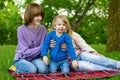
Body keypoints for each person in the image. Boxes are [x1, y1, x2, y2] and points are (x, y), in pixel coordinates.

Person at [51, 18, 120, 71]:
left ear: (67, 26)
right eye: (59, 25)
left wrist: (93, 52)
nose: (62, 27)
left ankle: (117, 64)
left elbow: (83, 45)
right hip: (69, 61)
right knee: (86, 66)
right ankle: (112, 70)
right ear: (54, 26)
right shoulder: (52, 38)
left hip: (80, 54)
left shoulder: (73, 34)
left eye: (64, 25)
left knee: (95, 58)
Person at [9, 3, 48, 74]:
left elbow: (48, 44)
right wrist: (43, 46)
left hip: (36, 58)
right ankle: (14, 68)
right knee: (32, 70)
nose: (40, 18)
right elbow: (26, 52)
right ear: (30, 15)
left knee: (43, 70)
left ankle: (32, 67)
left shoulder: (43, 29)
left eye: (41, 15)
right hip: (21, 58)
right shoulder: (21, 30)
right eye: (37, 16)